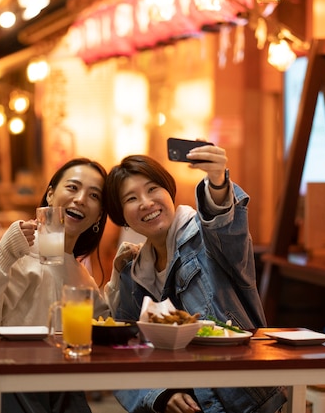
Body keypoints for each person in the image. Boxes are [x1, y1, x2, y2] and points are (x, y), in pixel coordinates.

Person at [103, 148, 287, 413]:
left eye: (153, 189)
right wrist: (161, 394)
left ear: (168, 191)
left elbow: (224, 225)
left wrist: (218, 183)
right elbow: (123, 352)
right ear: (122, 216)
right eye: (131, 198)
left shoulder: (206, 238)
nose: (146, 202)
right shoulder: (133, 275)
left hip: (247, 402)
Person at [0, 157, 111, 413]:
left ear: (98, 215)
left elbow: (106, 329)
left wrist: (121, 274)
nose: (81, 199)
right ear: (50, 195)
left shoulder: (81, 277)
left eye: (93, 195)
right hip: (5, 381)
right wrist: (5, 253)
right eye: (72, 187)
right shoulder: (19, 252)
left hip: (59, 387)